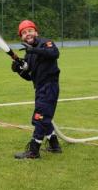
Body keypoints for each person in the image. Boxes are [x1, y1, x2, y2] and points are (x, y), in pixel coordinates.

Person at [11, 20, 62, 159]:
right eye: (24, 33)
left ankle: (33, 151)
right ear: (21, 37)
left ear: (36, 32)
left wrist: (33, 50)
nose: (27, 34)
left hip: (49, 86)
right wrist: (19, 70)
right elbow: (30, 76)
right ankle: (54, 145)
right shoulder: (28, 54)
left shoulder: (45, 43)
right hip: (40, 88)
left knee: (39, 118)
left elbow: (54, 53)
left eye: (30, 31)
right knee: (43, 117)